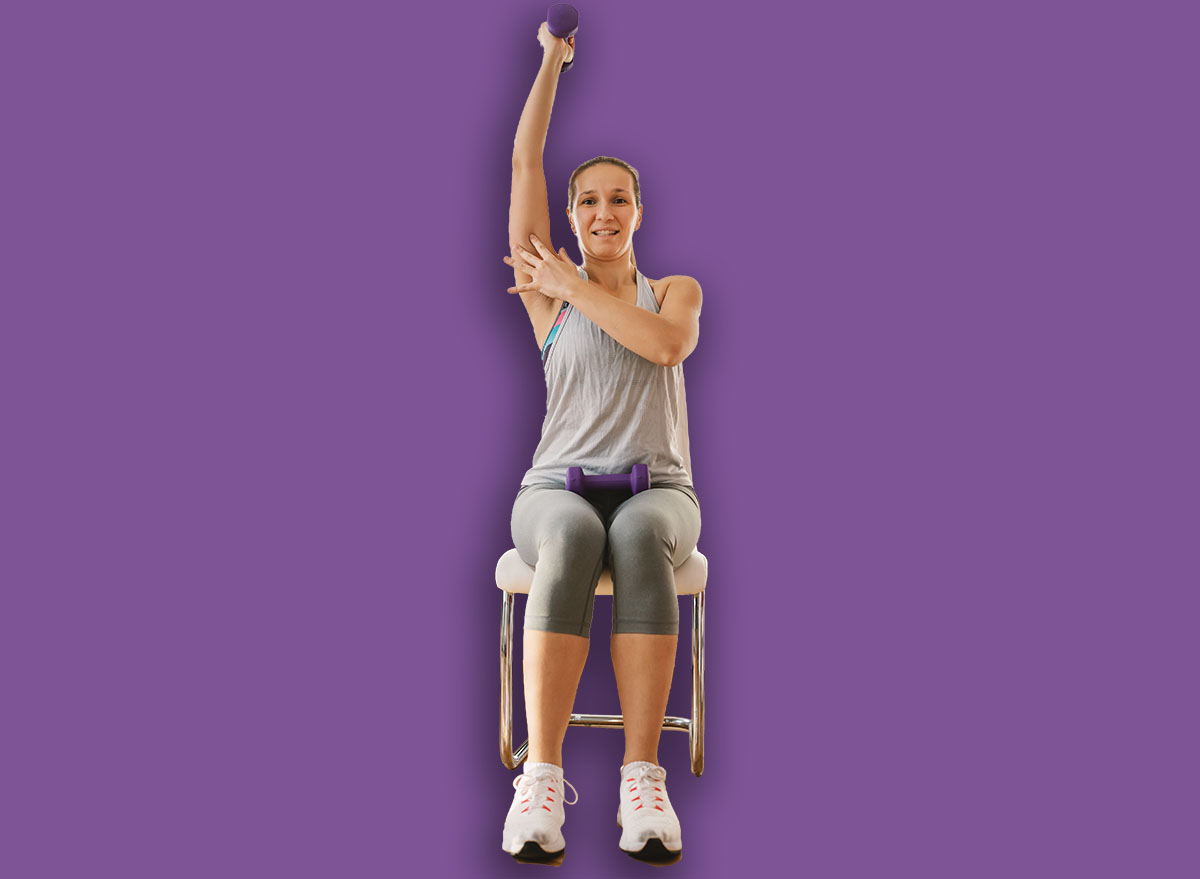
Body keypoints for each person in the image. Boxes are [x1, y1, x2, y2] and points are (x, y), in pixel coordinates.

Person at [499, 20, 704, 863]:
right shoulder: (545, 296)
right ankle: (539, 781)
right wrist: (552, 59)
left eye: (618, 198)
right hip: (557, 486)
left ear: (638, 214)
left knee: (636, 534)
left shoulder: (674, 292)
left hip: (659, 486)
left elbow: (663, 347)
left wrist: (575, 285)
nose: (602, 211)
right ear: (573, 216)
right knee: (580, 532)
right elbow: (521, 164)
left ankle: (641, 781)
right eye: (587, 199)